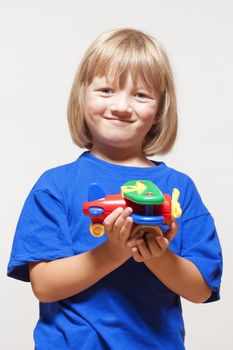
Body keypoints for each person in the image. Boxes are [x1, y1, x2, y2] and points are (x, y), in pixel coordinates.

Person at [7, 28, 222, 349]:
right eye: (106, 90)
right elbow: (44, 285)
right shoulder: (54, 185)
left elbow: (200, 290)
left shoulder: (180, 189)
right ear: (82, 96)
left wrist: (156, 254)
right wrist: (114, 250)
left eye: (141, 95)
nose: (122, 106)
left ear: (160, 110)